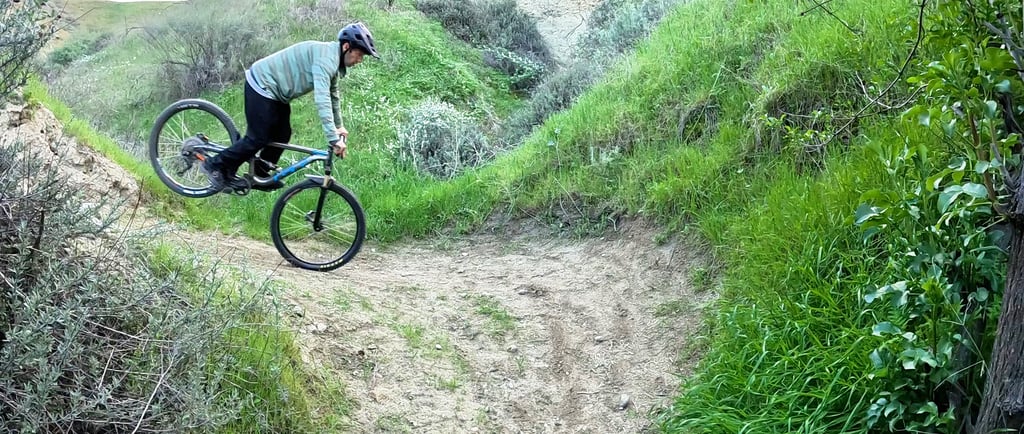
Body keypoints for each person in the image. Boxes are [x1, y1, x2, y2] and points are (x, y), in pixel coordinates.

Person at [201, 21, 381, 192]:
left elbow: (333, 96)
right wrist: (333, 138)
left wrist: (339, 126)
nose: (360, 60)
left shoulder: (333, 60)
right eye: (359, 54)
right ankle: (214, 165)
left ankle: (259, 175)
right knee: (257, 138)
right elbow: (322, 99)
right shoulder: (326, 61)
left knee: (283, 134)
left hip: (277, 93)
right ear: (346, 47)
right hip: (262, 85)